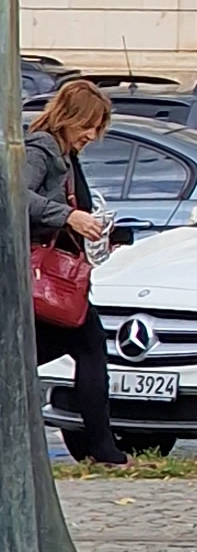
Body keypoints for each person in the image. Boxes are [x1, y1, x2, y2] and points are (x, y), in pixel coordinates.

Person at [27, 77, 128, 466]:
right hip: (40, 274)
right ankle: (102, 448)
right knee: (88, 343)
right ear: (68, 117)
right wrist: (69, 216)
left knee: (76, 345)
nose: (92, 135)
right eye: (88, 125)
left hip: (55, 275)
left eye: (98, 128)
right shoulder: (41, 150)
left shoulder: (65, 154)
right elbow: (16, 195)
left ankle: (100, 446)